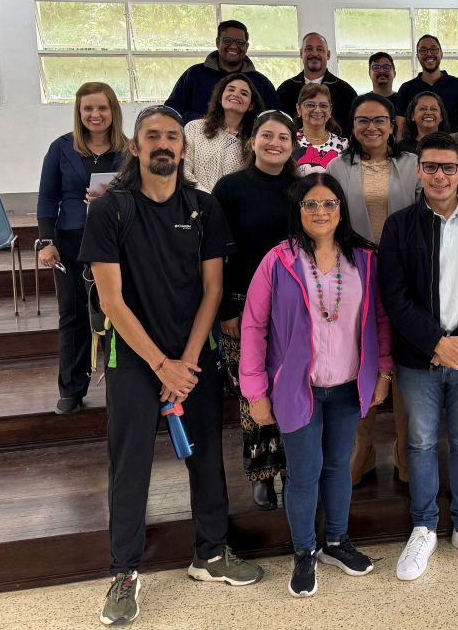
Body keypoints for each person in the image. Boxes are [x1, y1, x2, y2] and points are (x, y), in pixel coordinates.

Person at [80, 105, 262, 626]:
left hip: (193, 357)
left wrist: (185, 362)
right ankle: (125, 573)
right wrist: (162, 365)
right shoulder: (110, 209)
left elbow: (213, 290)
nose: (163, 144)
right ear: (135, 148)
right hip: (137, 360)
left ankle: (211, 554)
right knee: (130, 466)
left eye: (172, 138)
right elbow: (113, 302)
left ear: (184, 150)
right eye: (152, 136)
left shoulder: (203, 207)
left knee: (205, 459)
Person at [239, 173, 393, 597]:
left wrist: (382, 372)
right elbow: (253, 326)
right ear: (298, 211)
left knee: (338, 467)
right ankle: (304, 551)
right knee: (303, 475)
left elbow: (380, 319)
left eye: (328, 204)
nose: (320, 212)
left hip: (347, 385)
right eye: (310, 205)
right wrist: (255, 391)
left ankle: (336, 542)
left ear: (341, 210)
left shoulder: (364, 258)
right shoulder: (278, 260)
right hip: (297, 389)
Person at [378, 132, 458, 581]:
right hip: (419, 358)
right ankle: (424, 526)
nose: (439, 175)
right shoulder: (399, 225)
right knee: (418, 443)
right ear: (419, 171)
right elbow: (393, 296)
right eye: (431, 167)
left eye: (448, 168)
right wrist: (436, 342)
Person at [326, 93, 420, 482]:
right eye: (363, 120)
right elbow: (328, 219)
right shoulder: (336, 166)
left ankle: (403, 447)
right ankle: (361, 447)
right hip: (354, 272)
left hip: (405, 273)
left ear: (393, 124)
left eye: (379, 120)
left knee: (401, 361)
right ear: (352, 126)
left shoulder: (412, 164)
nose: (372, 128)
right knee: (361, 357)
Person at [212, 111, 299, 510]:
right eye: (267, 135)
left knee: (292, 388)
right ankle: (261, 471)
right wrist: (226, 306)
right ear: (252, 141)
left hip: (295, 307)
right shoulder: (229, 188)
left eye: (283, 137)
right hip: (243, 306)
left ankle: (291, 468)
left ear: (292, 145)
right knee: (254, 392)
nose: (274, 143)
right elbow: (217, 254)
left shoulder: (302, 188)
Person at [37, 81, 127, 415]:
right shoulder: (61, 148)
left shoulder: (129, 149)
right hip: (72, 241)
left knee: (117, 314)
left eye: (102, 108)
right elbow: (47, 198)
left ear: (112, 111)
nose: (95, 114)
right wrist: (47, 242)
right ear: (79, 112)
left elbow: (144, 195)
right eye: (88, 108)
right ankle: (72, 388)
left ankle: (122, 387)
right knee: (74, 315)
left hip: (118, 243)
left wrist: (115, 198)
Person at [165, 20, 279, 124]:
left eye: (240, 42)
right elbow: (171, 110)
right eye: (227, 40)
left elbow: (276, 117)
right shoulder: (194, 74)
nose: (234, 46)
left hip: (247, 143)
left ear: (247, 46)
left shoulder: (261, 82)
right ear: (217, 42)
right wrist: (202, 120)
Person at [182, 72, 261, 191]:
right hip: (195, 203)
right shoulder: (194, 128)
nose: (235, 95)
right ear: (220, 97)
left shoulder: (255, 141)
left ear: (251, 105)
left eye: (244, 93)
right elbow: (184, 171)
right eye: (230, 90)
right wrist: (209, 201)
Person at [276, 33, 358, 137]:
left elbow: (353, 129)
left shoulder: (346, 92)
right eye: (309, 49)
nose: (314, 54)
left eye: (320, 49)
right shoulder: (285, 90)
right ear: (301, 53)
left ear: (328, 55)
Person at [397, 34, 458, 132]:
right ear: (417, 56)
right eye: (423, 50)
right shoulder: (406, 88)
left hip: (453, 143)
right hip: (417, 144)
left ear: (441, 54)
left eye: (434, 49)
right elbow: (401, 127)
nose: (429, 54)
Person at [292, 83, 348, 173]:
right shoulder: (289, 141)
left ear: (330, 110)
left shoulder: (345, 145)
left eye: (323, 106)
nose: (317, 110)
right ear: (299, 109)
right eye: (310, 105)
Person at [368, 51, 403, 116]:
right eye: (376, 67)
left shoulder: (403, 101)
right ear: (369, 74)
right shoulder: (363, 102)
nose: (381, 71)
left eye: (386, 67)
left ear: (394, 73)